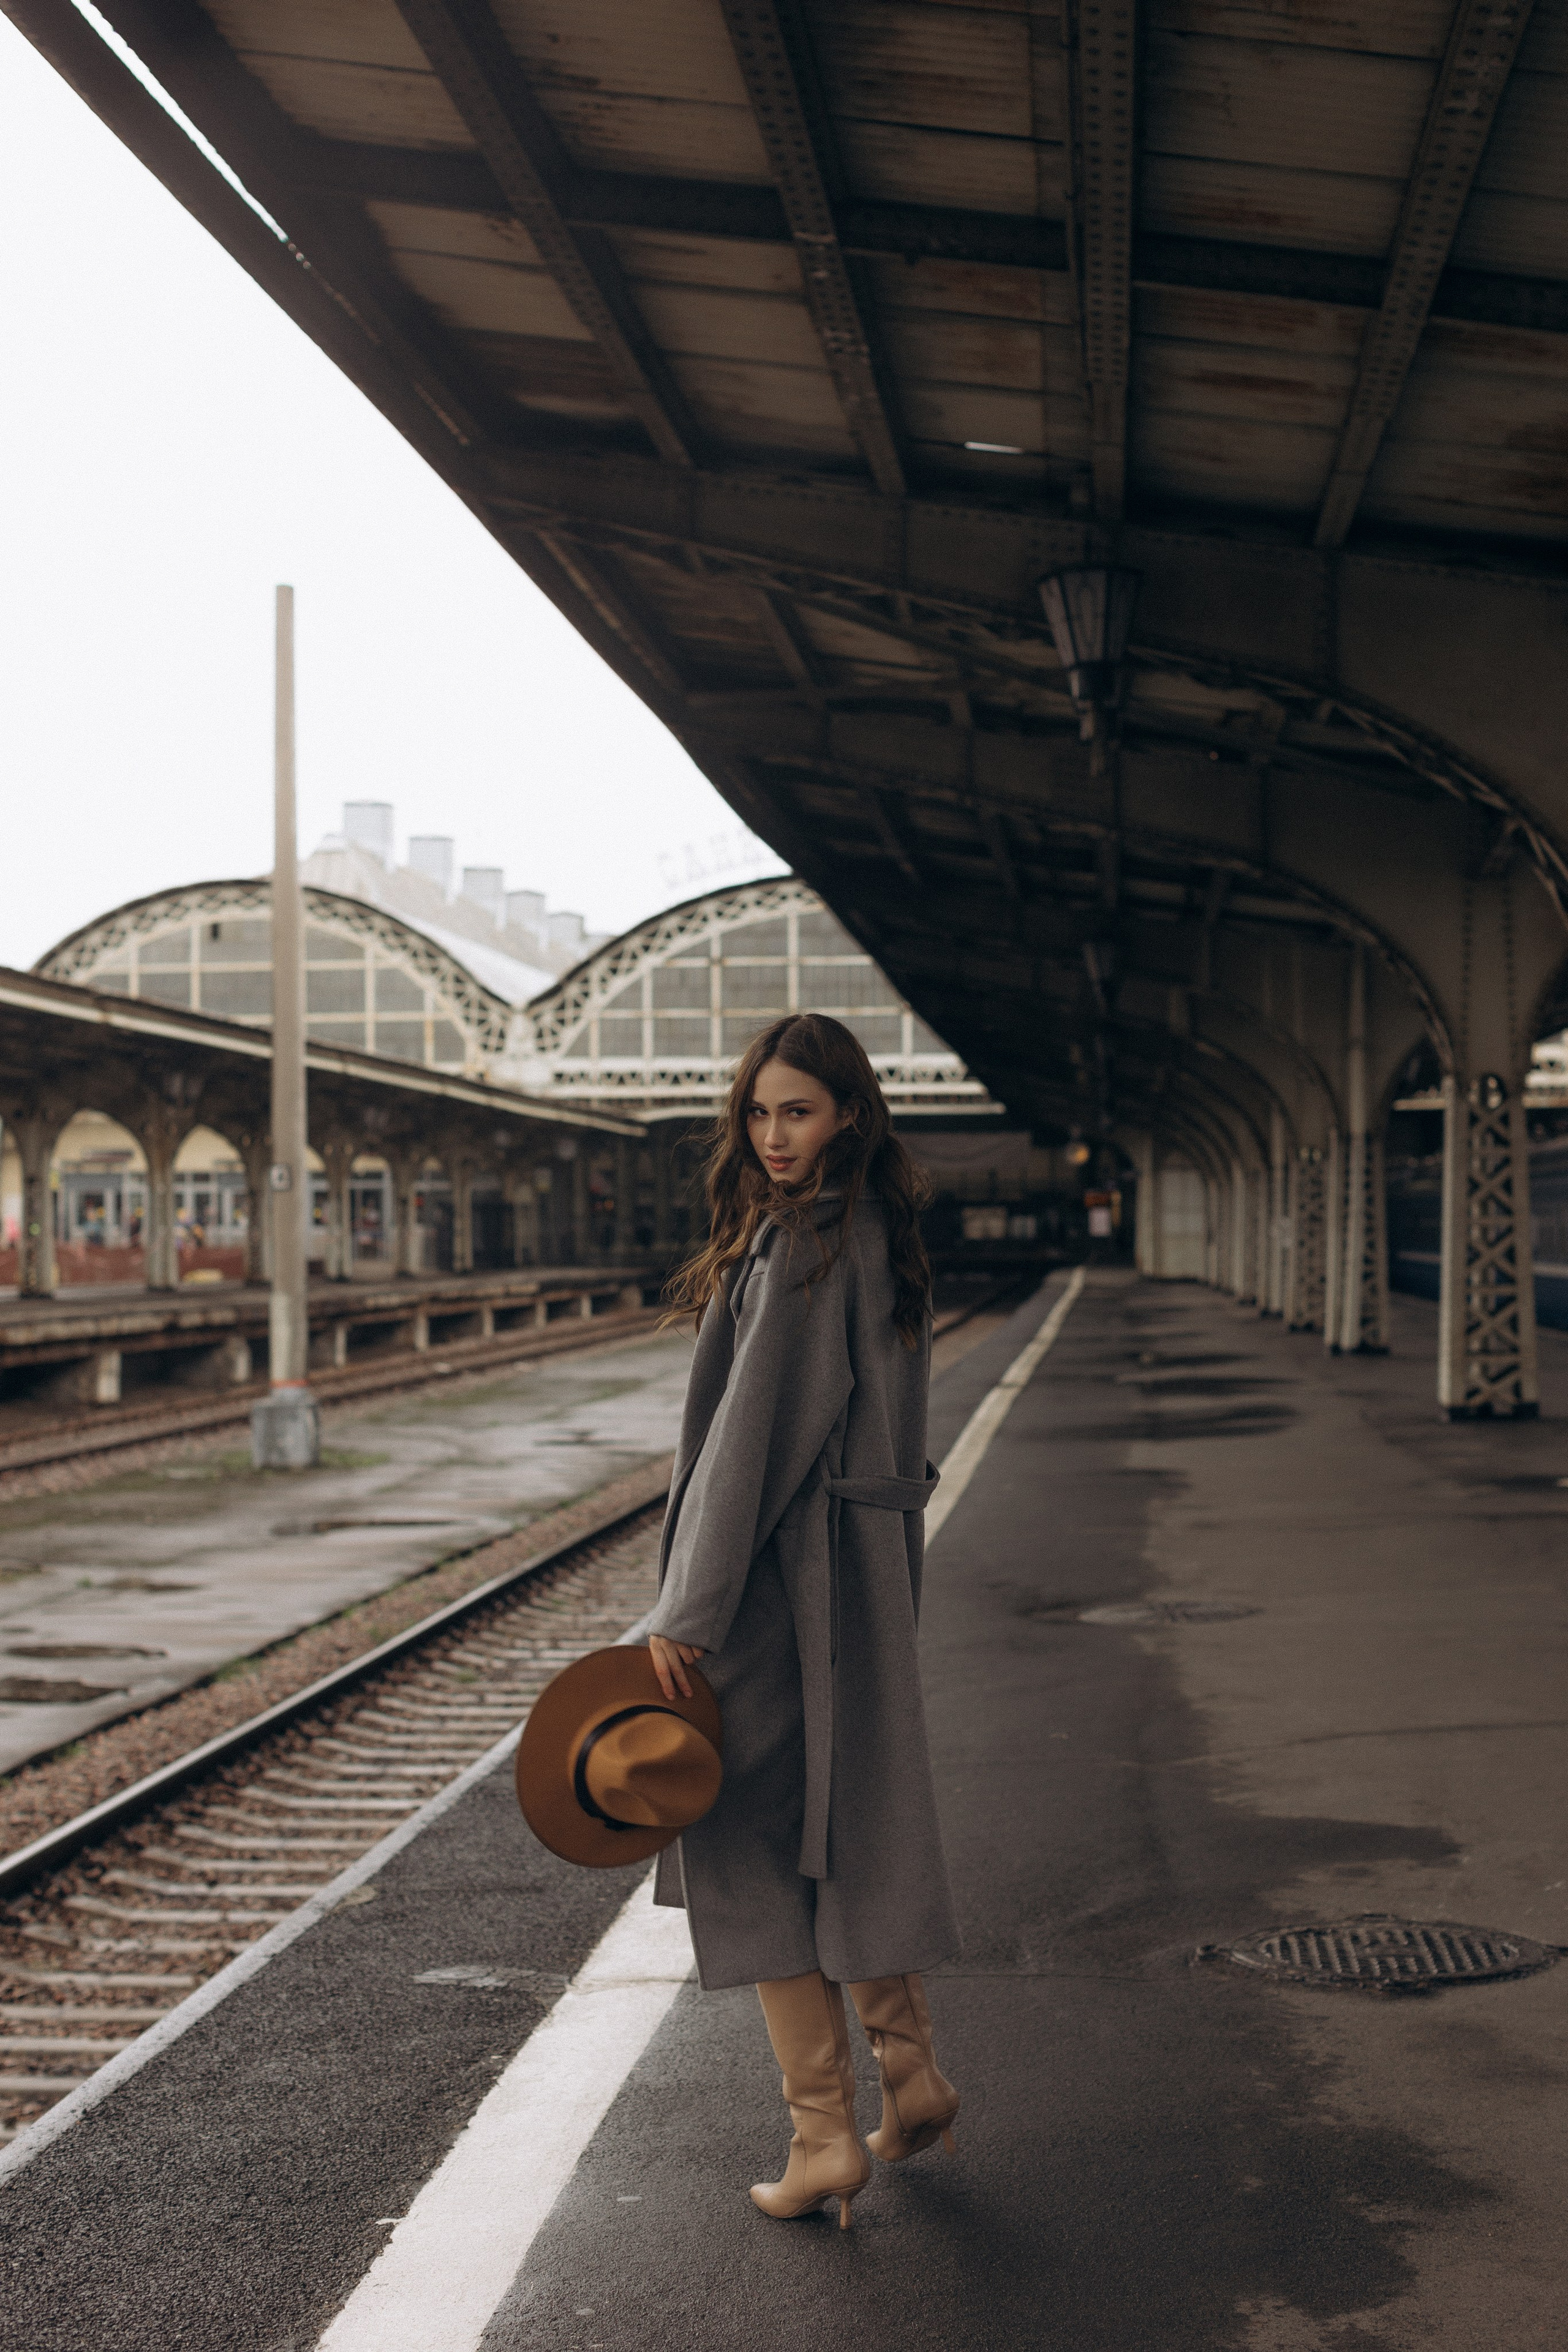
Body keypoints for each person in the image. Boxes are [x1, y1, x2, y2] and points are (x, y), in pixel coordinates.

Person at [646, 1012, 960, 2230]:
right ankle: (913, 2073)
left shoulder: (800, 1247)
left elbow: (747, 1447)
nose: (773, 1136)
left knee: (744, 1842)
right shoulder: (884, 1233)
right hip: (864, 1572)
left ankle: (820, 2137)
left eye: (799, 1111)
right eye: (761, 1110)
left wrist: (687, 1614)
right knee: (852, 1824)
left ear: (846, 1116)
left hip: (781, 1587)